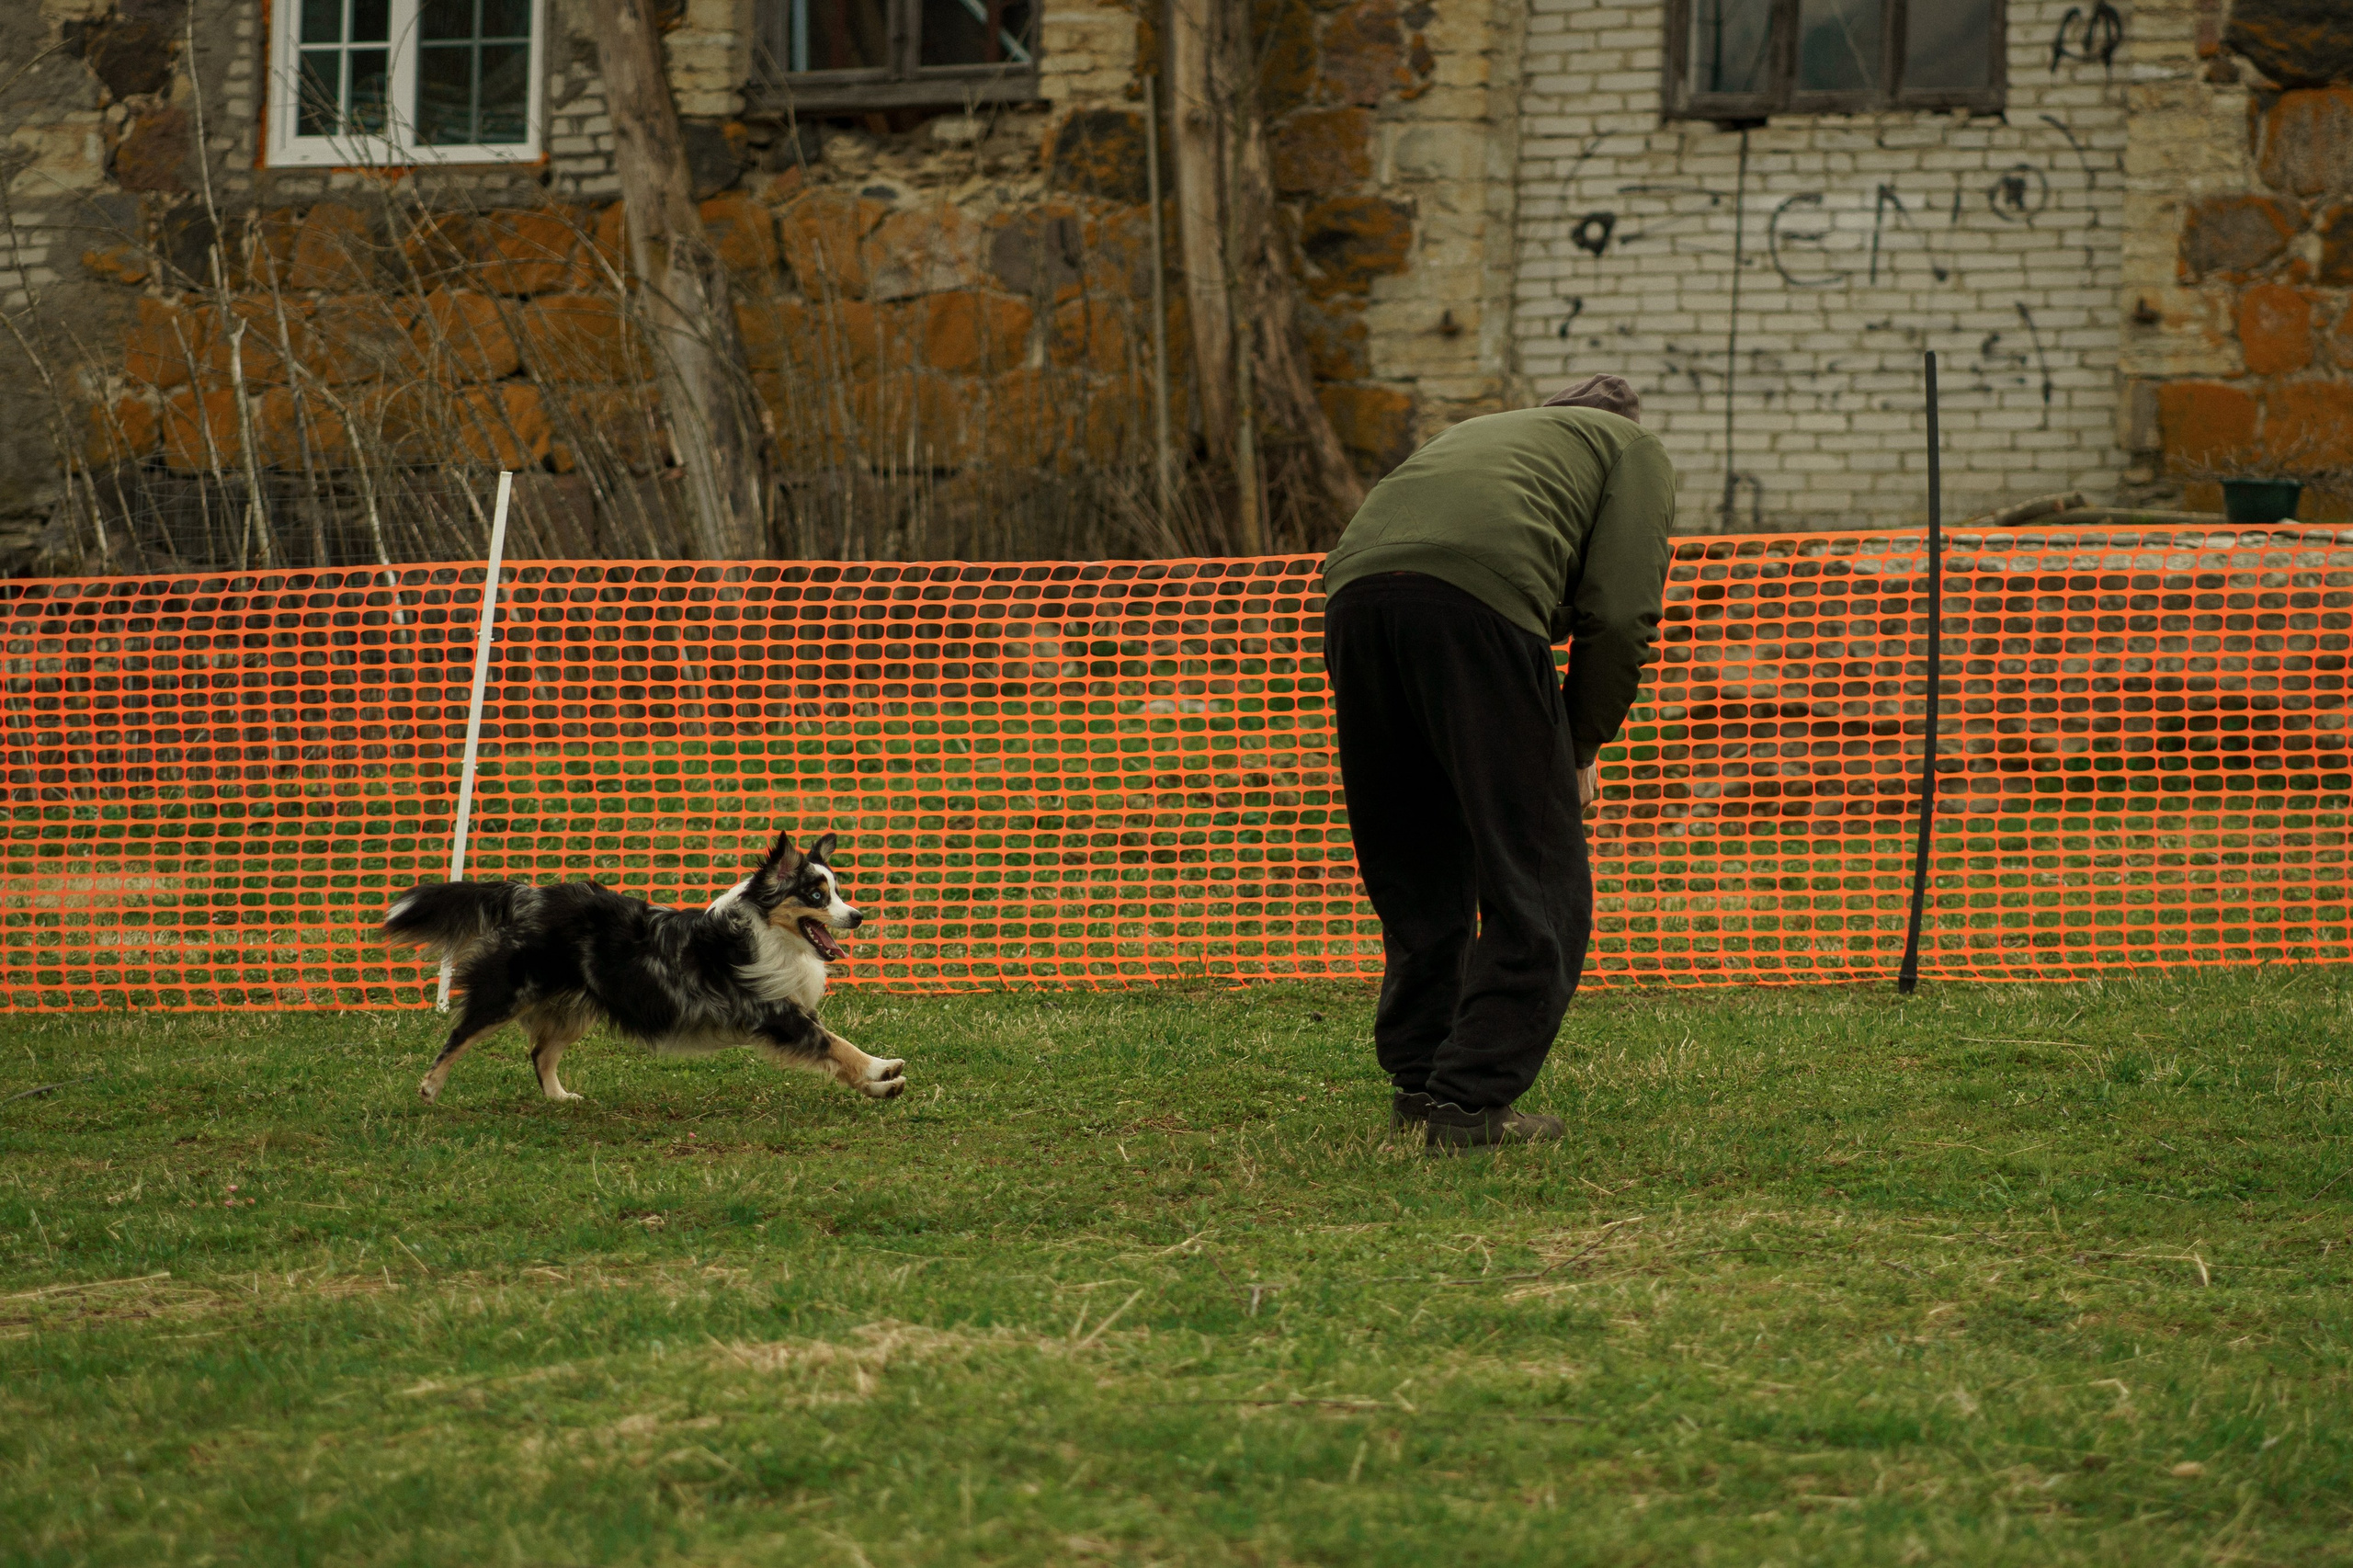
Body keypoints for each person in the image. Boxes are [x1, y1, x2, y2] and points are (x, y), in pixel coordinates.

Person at [1319, 373, 1677, 1153]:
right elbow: (1618, 614)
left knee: (1416, 850)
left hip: (1354, 601)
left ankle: (1419, 1080)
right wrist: (1576, 745)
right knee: (1537, 873)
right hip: (1476, 606)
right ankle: (1470, 1103)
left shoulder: (1484, 435)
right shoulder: (1632, 448)